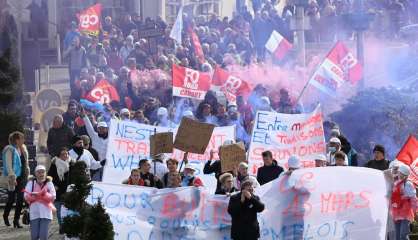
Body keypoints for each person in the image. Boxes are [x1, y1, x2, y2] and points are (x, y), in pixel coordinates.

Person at [2, 131, 30, 228]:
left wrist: (27, 174)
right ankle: (5, 215)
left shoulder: (23, 149)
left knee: (21, 199)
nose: (24, 140)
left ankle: (16, 220)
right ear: (17, 140)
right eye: (22, 138)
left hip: (22, 178)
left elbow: (25, 163)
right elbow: (8, 165)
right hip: (13, 178)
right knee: (11, 199)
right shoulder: (9, 149)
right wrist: (12, 176)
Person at [24, 165, 56, 240]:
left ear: (45, 173)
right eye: (39, 172)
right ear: (35, 173)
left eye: (43, 172)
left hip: (46, 213)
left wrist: (43, 195)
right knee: (34, 236)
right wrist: (35, 196)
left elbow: (53, 196)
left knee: (43, 236)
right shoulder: (30, 183)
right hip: (34, 212)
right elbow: (26, 195)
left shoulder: (49, 183)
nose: (41, 174)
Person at [47, 147, 73, 234]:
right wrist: (53, 185)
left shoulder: (71, 163)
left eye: (66, 153)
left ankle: (68, 227)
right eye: (63, 154)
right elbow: (49, 177)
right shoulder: (54, 164)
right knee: (59, 211)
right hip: (58, 191)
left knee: (68, 211)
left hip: (69, 191)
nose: (65, 155)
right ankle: (62, 227)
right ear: (59, 156)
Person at [390, 164, 417, 240]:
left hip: (406, 213)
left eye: (402, 173)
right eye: (400, 173)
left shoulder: (408, 184)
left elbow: (413, 199)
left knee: (403, 235)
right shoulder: (395, 182)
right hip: (396, 212)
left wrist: (415, 211)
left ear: (405, 175)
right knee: (397, 236)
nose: (400, 175)